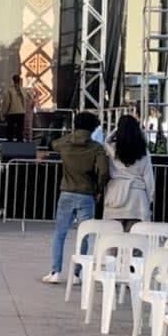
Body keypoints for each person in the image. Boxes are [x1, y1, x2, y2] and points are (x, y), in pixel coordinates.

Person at [44, 111, 111, 284]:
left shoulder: (65, 143)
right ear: (94, 127)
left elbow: (53, 144)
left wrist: (69, 136)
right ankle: (75, 274)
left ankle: (55, 272)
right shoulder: (96, 148)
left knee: (60, 233)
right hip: (87, 194)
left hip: (66, 191)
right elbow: (103, 172)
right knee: (83, 235)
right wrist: (98, 189)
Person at [102, 114, 153, 227]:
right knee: (134, 241)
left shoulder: (112, 149)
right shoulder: (143, 151)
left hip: (115, 197)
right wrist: (149, 199)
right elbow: (148, 178)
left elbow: (106, 141)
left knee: (113, 240)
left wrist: (117, 129)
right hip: (137, 199)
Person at [0, 74, 29, 141]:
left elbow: (6, 103)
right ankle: (20, 145)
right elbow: (26, 102)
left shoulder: (10, 91)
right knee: (20, 130)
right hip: (21, 112)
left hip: (12, 112)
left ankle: (10, 145)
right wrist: (24, 110)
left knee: (10, 130)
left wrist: (3, 113)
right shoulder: (24, 91)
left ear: (13, 81)